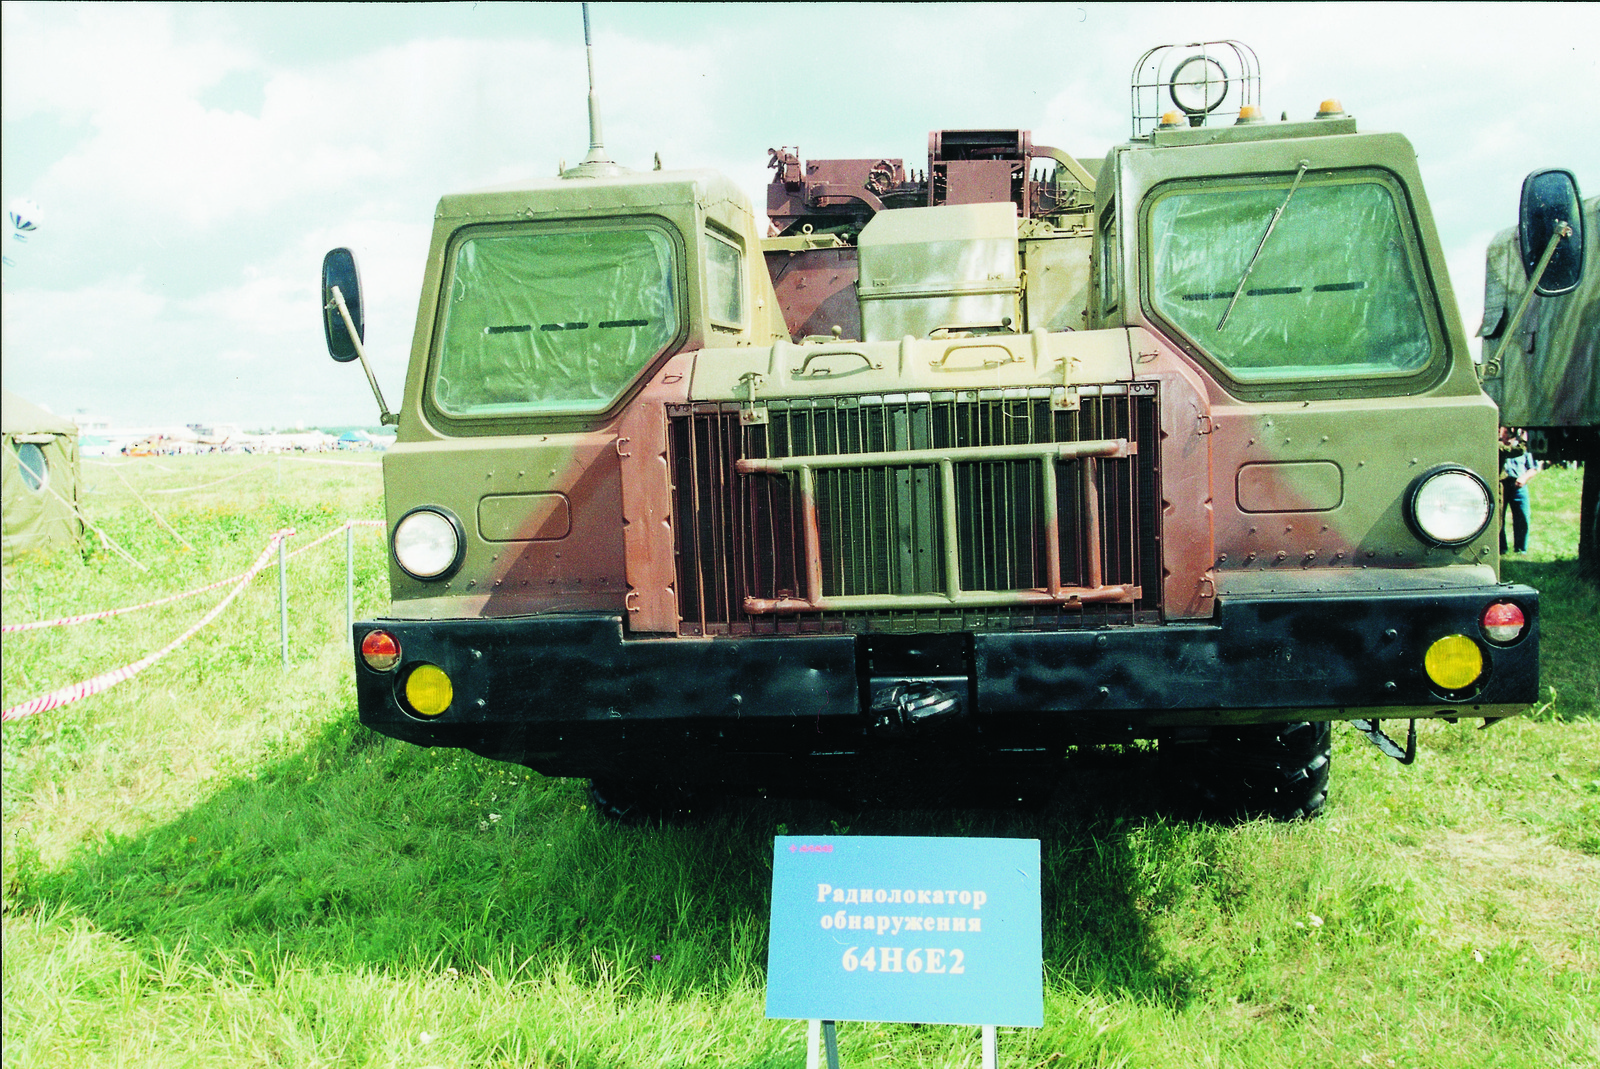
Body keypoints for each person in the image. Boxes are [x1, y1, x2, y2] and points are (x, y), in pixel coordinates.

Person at [1499, 426, 1540, 554]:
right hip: (1502, 484)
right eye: (1506, 431)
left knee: (1522, 516)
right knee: (1499, 517)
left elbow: (1533, 468)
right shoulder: (1499, 446)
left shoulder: (1523, 448)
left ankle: (1521, 548)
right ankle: (1502, 548)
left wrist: (1524, 478)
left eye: (1510, 431)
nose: (1508, 434)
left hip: (1518, 485)